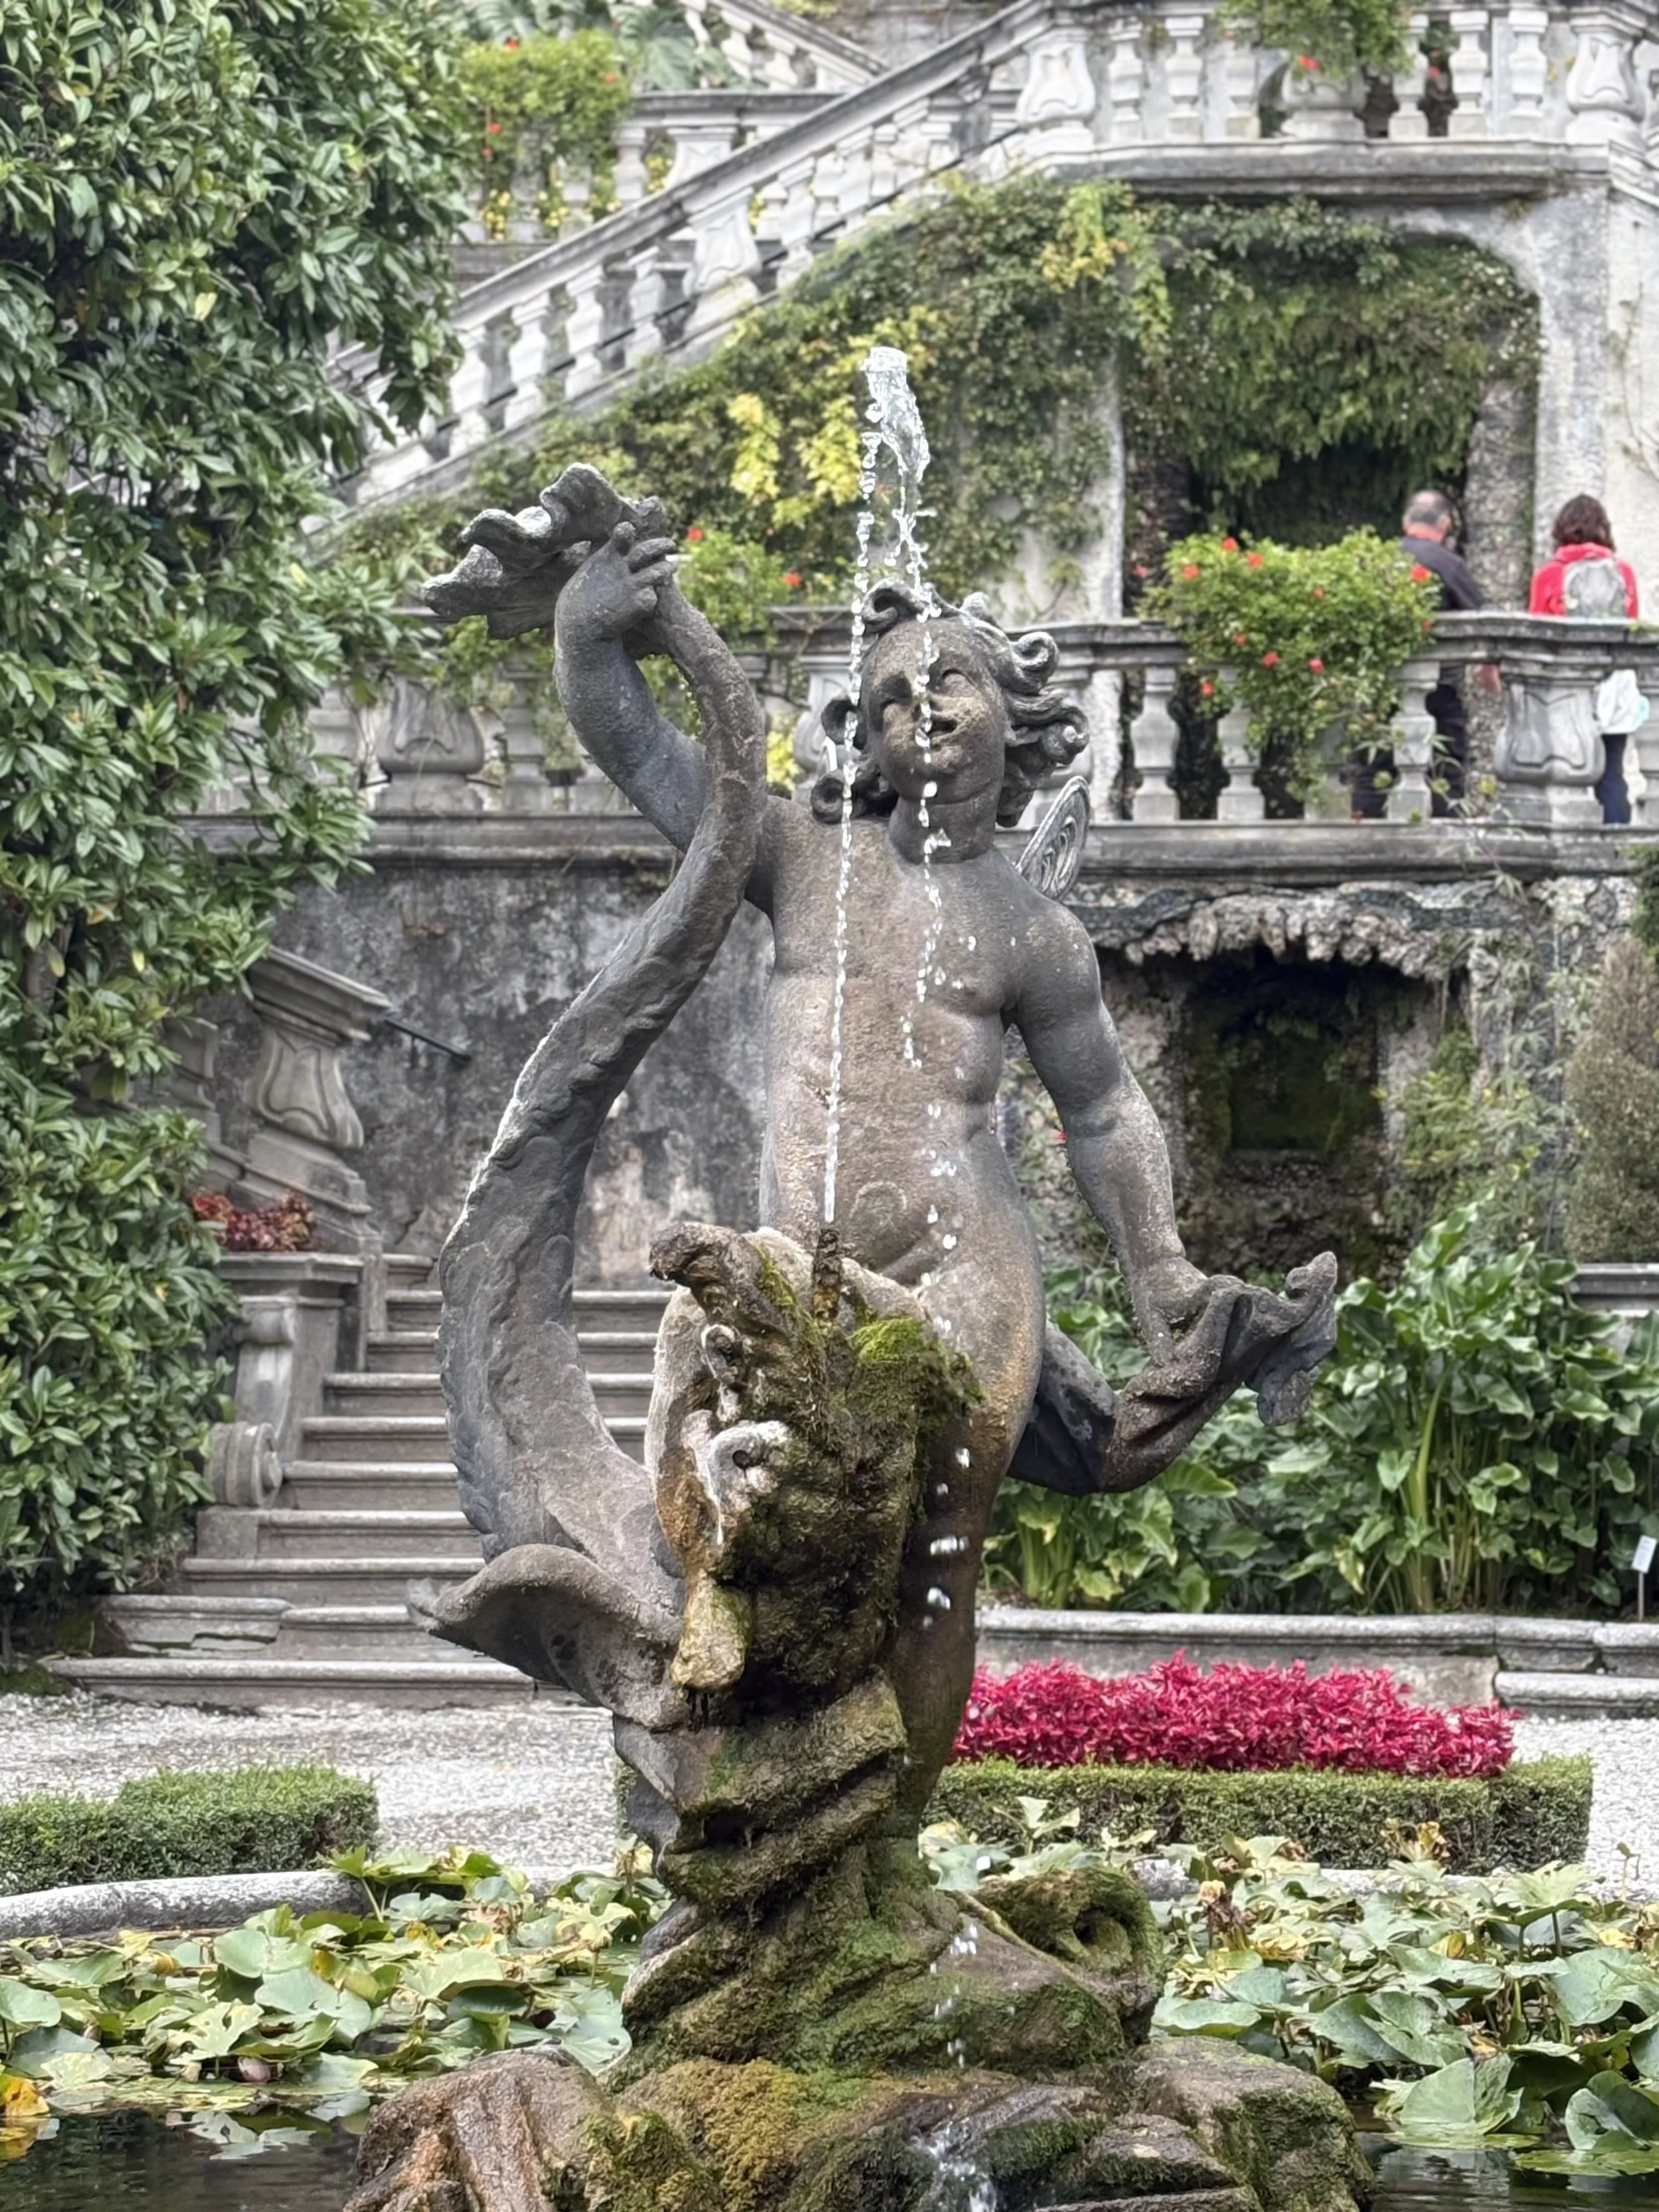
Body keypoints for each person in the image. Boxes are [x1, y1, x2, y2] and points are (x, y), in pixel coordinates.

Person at [1356, 487, 1488, 820]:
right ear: (1445, 523)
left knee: (1374, 768)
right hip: (1438, 689)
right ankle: (1447, 845)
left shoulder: (1377, 561)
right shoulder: (1449, 564)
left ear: (1405, 521)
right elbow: (1485, 622)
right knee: (1445, 772)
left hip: (1379, 688)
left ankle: (1366, 840)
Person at [1530, 495, 1643, 824]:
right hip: (1615, 682)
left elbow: (1536, 630)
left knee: (1565, 771)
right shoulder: (1623, 572)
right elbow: (1632, 623)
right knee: (1612, 771)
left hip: (1565, 685)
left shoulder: (1549, 574)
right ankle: (1618, 845)